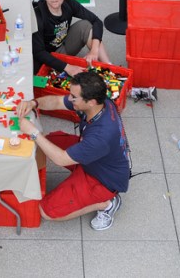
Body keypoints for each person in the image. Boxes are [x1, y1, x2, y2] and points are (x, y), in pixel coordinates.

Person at [16, 70, 130, 231]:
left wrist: (33, 132)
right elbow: (57, 102)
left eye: (74, 98)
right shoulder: (100, 102)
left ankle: (107, 203)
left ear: (90, 102)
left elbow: (61, 159)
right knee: (47, 141)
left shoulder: (100, 136)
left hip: (102, 179)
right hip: (94, 158)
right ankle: (79, 176)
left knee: (46, 211)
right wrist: (33, 103)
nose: (70, 99)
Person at [31, 0, 110, 77]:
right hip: (47, 58)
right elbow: (38, 52)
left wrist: (94, 50)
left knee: (86, 25)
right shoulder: (38, 15)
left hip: (62, 47)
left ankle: (109, 67)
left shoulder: (69, 4)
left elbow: (97, 21)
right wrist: (68, 67)